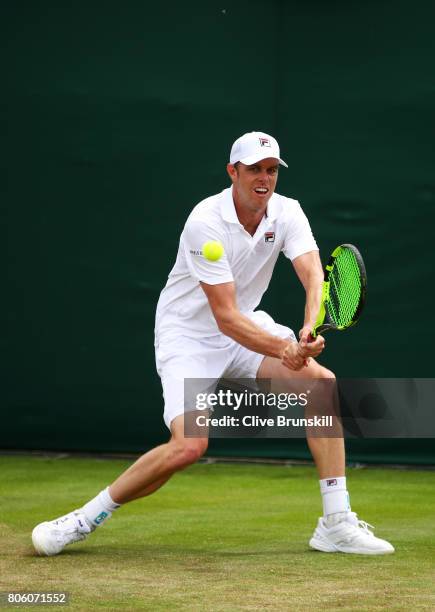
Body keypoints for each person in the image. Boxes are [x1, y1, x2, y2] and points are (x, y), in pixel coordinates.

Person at [32, 131, 394, 556]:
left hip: (246, 329)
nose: (264, 178)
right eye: (255, 169)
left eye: (272, 170)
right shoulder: (204, 221)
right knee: (189, 446)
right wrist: (283, 349)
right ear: (233, 172)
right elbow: (224, 318)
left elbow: (315, 274)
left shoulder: (288, 213)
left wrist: (306, 329)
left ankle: (335, 522)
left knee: (322, 385)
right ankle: (83, 519)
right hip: (189, 335)